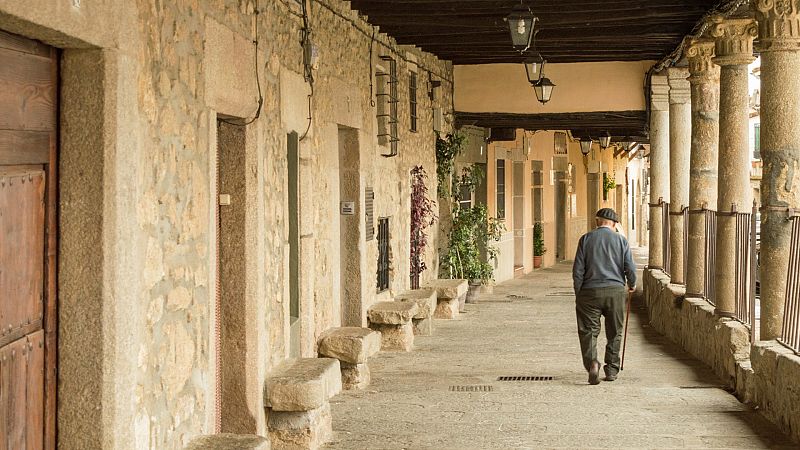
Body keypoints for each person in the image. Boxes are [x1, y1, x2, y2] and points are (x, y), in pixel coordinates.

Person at [572, 208, 636, 385]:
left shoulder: (585, 239)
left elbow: (578, 270)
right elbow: (629, 267)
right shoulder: (621, 241)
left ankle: (592, 363)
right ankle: (612, 369)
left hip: (589, 292)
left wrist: (579, 293)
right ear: (614, 224)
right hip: (615, 291)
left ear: (597, 221)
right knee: (615, 331)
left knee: (588, 332)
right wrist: (632, 284)